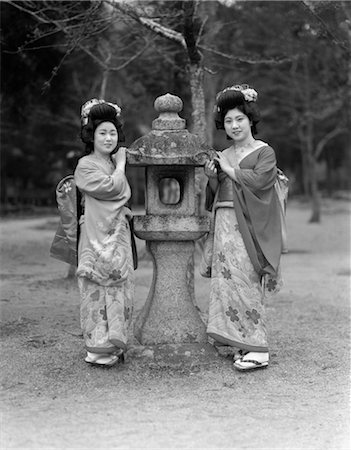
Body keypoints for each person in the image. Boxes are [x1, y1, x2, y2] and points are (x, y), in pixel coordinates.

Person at [204, 84, 283, 371]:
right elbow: (215, 193)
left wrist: (228, 170)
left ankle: (258, 348)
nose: (234, 125)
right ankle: (238, 342)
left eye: (239, 118)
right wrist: (213, 177)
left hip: (249, 227)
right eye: (228, 120)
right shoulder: (223, 154)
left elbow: (261, 182)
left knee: (246, 282)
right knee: (226, 284)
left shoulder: (264, 152)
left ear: (250, 119)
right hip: (224, 223)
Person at [74, 99, 135, 367]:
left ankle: (115, 343)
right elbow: (114, 190)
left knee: (120, 287)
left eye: (112, 133)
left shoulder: (110, 164)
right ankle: (98, 347)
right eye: (102, 133)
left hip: (116, 235)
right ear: (92, 135)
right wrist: (121, 166)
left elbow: (118, 198)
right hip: (93, 236)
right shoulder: (85, 165)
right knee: (95, 288)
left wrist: (125, 212)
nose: (109, 138)